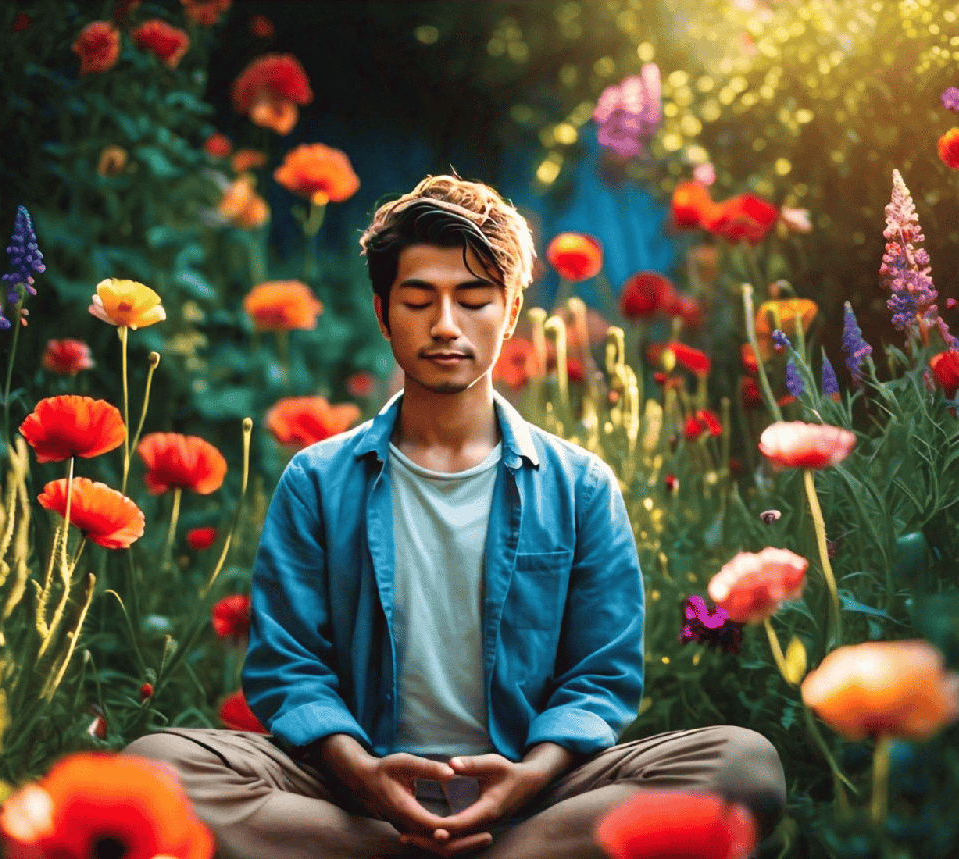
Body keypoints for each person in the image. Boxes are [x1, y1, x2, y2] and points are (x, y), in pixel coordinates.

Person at [125, 175, 786, 858]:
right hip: (353, 790)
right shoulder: (317, 482)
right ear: (383, 314)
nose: (445, 324)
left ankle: (475, 846)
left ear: (511, 309)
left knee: (743, 764)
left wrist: (528, 777)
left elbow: (601, 673)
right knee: (154, 766)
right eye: (418, 300)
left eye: (473, 300)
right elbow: (288, 667)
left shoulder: (581, 485)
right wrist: (364, 773)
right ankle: (426, 848)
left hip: (533, 791)